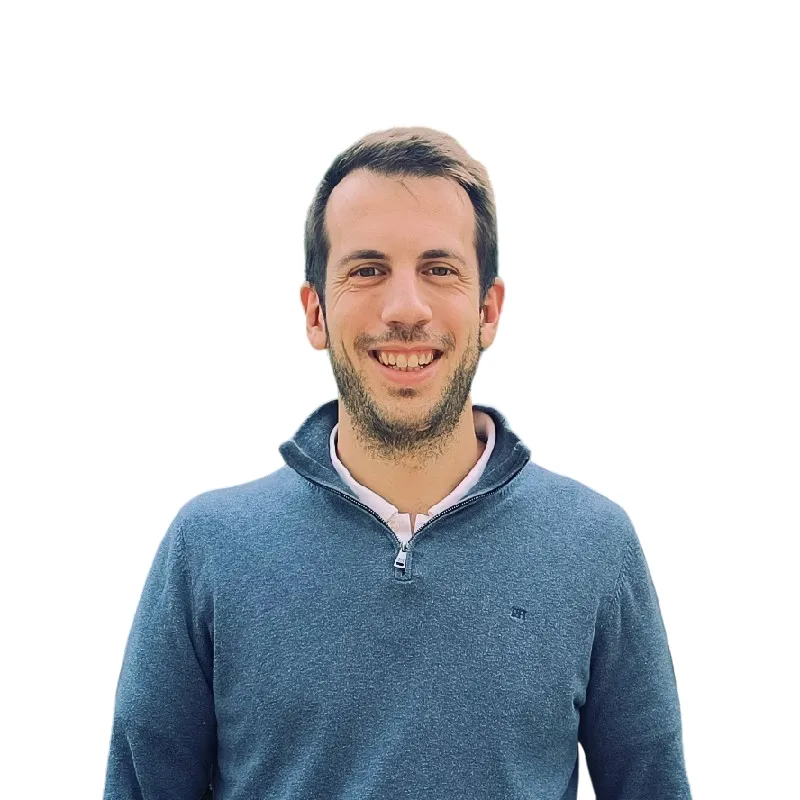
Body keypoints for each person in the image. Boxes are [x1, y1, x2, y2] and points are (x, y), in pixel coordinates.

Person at [103, 127, 692, 799]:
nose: (405, 307)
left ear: (488, 310)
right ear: (315, 312)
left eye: (439, 270)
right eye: (367, 270)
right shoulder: (209, 548)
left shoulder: (594, 546)